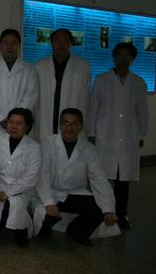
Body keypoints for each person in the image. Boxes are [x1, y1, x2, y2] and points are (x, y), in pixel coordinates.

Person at [87, 42, 148, 229]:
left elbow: (142, 111)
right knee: (101, 178)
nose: (123, 59)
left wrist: (141, 135)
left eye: (128, 55)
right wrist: (91, 132)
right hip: (104, 137)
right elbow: (93, 108)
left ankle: (121, 214)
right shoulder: (101, 80)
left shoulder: (138, 83)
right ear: (114, 57)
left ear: (133, 59)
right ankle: (101, 212)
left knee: (123, 180)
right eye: (120, 55)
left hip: (128, 137)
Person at [34, 108, 117, 246]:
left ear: (81, 127)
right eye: (65, 123)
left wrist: (109, 209)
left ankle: (76, 230)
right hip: (51, 192)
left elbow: (99, 180)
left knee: (101, 208)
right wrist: (48, 202)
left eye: (74, 124)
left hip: (74, 193)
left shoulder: (89, 149)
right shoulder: (48, 143)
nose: (69, 128)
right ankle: (49, 221)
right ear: (60, 125)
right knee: (43, 233)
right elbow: (43, 176)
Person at [0, 108, 41, 247]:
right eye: (11, 122)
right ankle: (11, 224)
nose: (13, 126)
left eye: (19, 123)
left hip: (21, 191)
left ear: (27, 126)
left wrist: (7, 193)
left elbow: (31, 177)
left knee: (15, 205)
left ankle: (21, 231)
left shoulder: (34, 148)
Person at [0, 29, 38, 144]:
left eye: (14, 43)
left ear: (19, 46)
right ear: (0, 46)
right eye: (6, 43)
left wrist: (15, 119)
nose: (10, 46)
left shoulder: (29, 69)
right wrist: (1, 118)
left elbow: (31, 95)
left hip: (20, 125)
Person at [35, 29, 90, 141]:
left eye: (65, 41)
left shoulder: (83, 66)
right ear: (52, 43)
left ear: (71, 44)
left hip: (72, 127)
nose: (61, 45)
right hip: (46, 124)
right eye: (58, 41)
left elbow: (86, 98)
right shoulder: (40, 66)